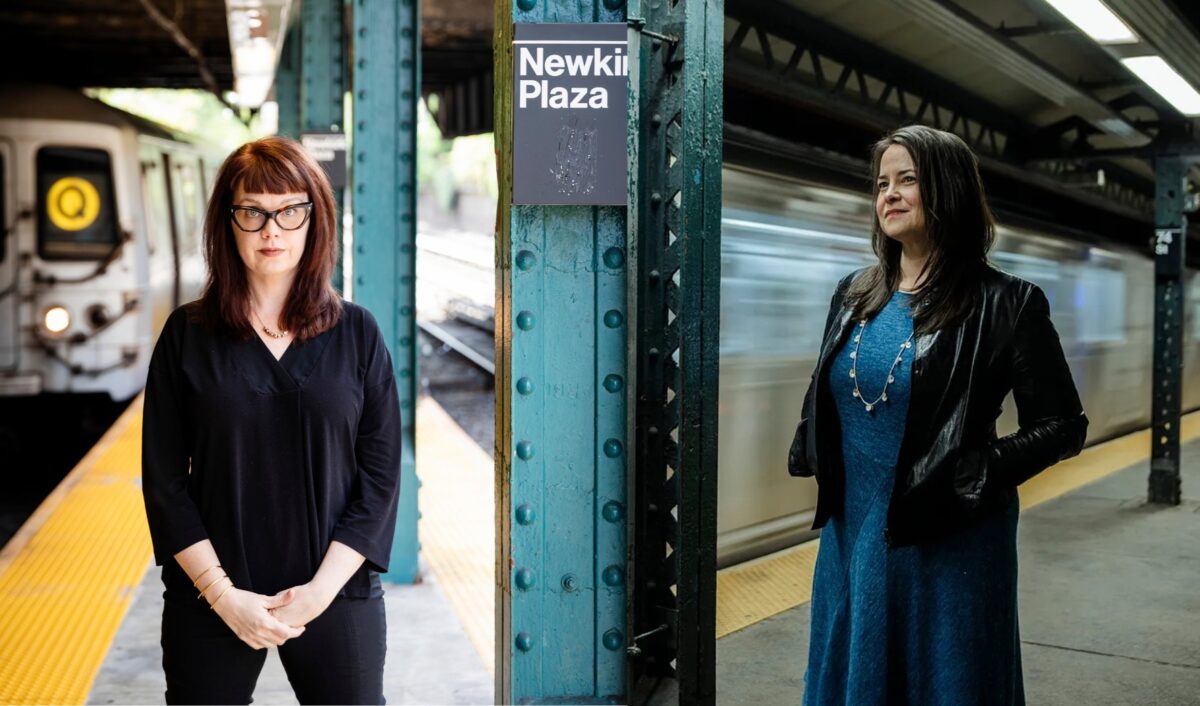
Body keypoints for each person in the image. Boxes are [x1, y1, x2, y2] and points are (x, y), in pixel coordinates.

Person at [787, 125, 1088, 705]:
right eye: (881, 184)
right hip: (853, 531)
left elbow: (1064, 425)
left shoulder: (1008, 302)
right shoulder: (854, 293)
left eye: (908, 180)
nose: (889, 195)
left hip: (946, 536)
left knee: (943, 680)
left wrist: (976, 470)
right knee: (853, 666)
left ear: (947, 190)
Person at [141, 136, 402, 705]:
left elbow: (379, 481)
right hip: (212, 593)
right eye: (252, 212)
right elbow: (164, 483)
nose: (271, 230)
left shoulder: (358, 333)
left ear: (315, 218)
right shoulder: (187, 336)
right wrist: (223, 596)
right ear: (226, 222)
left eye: (289, 211)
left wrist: (317, 593)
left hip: (334, 589)